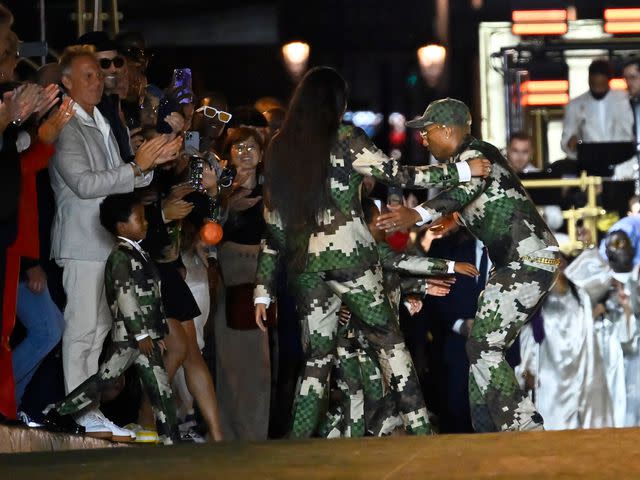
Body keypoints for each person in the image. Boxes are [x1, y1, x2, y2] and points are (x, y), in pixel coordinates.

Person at [253, 67, 491, 437]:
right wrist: (462, 171)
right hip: (352, 263)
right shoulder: (344, 137)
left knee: (316, 363)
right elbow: (398, 174)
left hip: (305, 270)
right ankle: (422, 434)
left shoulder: (280, 147)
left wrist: (263, 290)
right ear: (336, 103)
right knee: (392, 348)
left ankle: (297, 448)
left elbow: (273, 225)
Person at [377, 97, 560, 432]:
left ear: (447, 130)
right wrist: (457, 219)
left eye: (427, 131)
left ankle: (526, 427)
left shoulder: (474, 155)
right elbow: (484, 198)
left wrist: (417, 214)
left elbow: (467, 190)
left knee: (483, 344)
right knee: (480, 349)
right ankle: (486, 432)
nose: (423, 138)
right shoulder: (475, 154)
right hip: (519, 261)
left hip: (527, 259)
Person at [49, 45, 181, 400]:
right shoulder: (65, 124)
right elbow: (84, 183)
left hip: (106, 241)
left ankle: (88, 411)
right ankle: (77, 412)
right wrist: (136, 167)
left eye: (98, 74)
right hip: (80, 243)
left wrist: (151, 163)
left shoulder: (102, 120)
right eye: (88, 75)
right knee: (81, 330)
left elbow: (122, 177)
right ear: (66, 82)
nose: (97, 81)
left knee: (100, 330)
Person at [46, 193, 179, 444]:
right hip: (131, 337)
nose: (146, 222)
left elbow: (150, 297)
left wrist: (154, 333)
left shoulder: (137, 253)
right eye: (139, 218)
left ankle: (171, 437)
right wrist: (141, 333)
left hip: (144, 337)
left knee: (160, 387)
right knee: (105, 380)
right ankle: (58, 412)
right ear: (121, 226)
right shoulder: (120, 256)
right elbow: (126, 296)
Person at [516, 254, 613, 430]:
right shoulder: (537, 300)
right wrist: (526, 371)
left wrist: (589, 248)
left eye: (562, 260)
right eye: (553, 260)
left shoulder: (581, 295)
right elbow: (529, 338)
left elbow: (605, 275)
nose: (558, 264)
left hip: (580, 375)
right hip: (550, 380)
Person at [561, 59, 634, 160]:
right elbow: (567, 141)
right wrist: (571, 144)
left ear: (608, 80)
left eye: (601, 85)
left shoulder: (625, 100)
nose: (597, 90)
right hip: (591, 161)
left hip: (624, 160)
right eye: (594, 85)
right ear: (588, 80)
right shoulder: (574, 105)